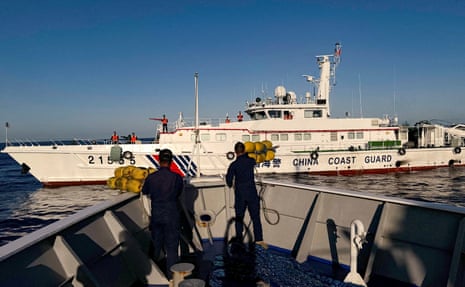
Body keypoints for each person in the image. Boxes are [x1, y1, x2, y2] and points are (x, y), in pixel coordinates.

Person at [142, 149, 184, 279]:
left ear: (159, 161)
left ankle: (155, 276)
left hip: (157, 215)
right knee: (172, 248)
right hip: (171, 214)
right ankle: (172, 278)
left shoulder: (151, 177)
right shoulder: (176, 178)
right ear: (171, 162)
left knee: (156, 244)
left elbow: (145, 191)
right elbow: (178, 193)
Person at [226, 142, 264, 244]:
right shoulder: (251, 161)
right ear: (244, 150)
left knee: (239, 218)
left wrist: (231, 184)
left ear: (235, 152)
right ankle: (259, 240)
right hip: (252, 193)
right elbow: (252, 159)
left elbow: (229, 180)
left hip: (240, 195)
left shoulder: (234, 165)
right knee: (256, 218)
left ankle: (239, 239)